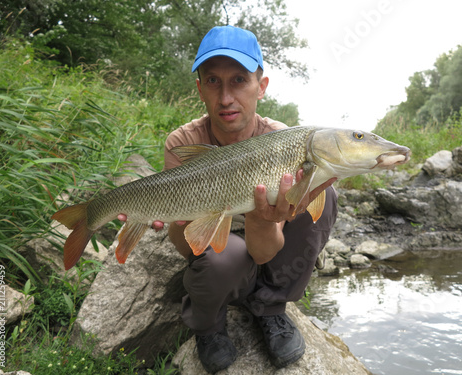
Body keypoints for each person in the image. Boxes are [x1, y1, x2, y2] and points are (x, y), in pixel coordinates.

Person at [120, 25, 338, 373]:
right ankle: (208, 324)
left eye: (239, 80)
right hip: (218, 238)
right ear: (200, 89)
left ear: (260, 86)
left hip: (263, 234)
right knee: (225, 258)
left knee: (324, 195)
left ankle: (269, 306)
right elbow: (184, 242)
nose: (225, 98)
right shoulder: (183, 142)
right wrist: (168, 216)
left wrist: (262, 217)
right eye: (213, 81)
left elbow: (264, 250)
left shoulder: (284, 142)